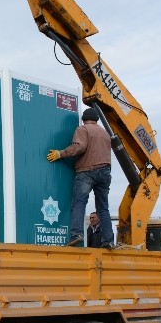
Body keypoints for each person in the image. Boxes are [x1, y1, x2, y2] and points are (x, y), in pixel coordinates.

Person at [47, 107, 114, 249]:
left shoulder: (83, 129)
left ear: (84, 119)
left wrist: (61, 154)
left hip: (87, 171)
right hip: (105, 172)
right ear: (96, 119)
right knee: (103, 208)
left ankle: (77, 234)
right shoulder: (105, 134)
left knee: (79, 204)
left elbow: (79, 147)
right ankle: (108, 240)